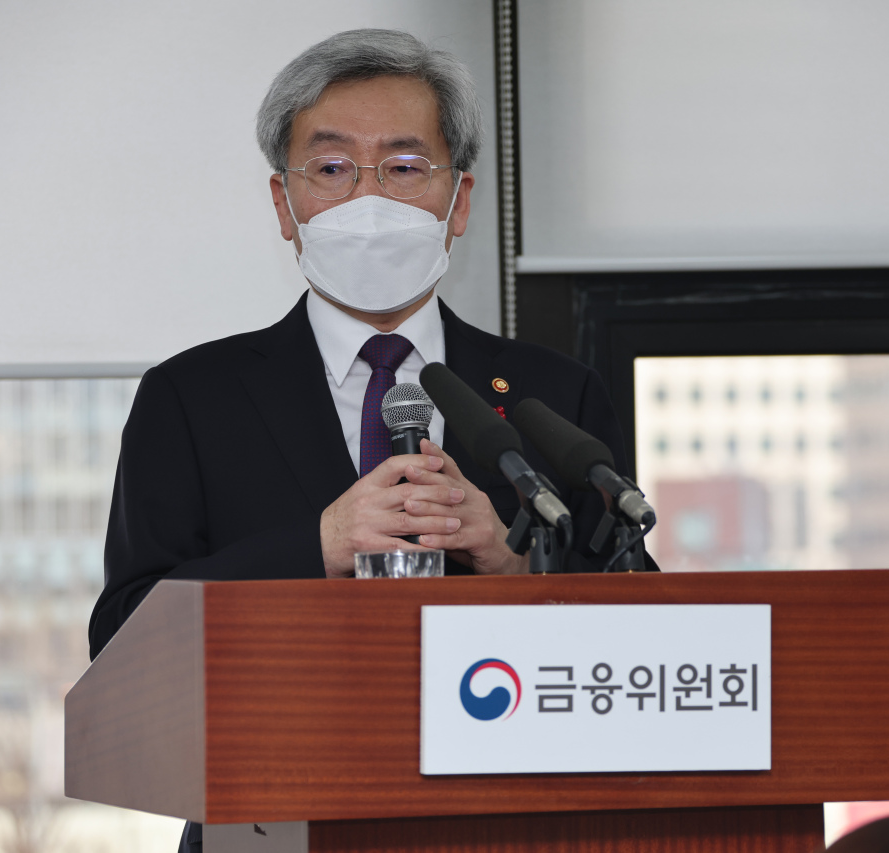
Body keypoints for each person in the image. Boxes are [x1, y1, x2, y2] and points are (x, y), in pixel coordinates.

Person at [84, 29, 645, 851]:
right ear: (284, 204)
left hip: (509, 818)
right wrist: (319, 544)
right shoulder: (191, 397)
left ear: (459, 203)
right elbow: (126, 638)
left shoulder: (549, 397)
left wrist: (514, 563)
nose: (368, 201)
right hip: (270, 819)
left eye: (405, 167)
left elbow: (646, 638)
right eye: (335, 168)